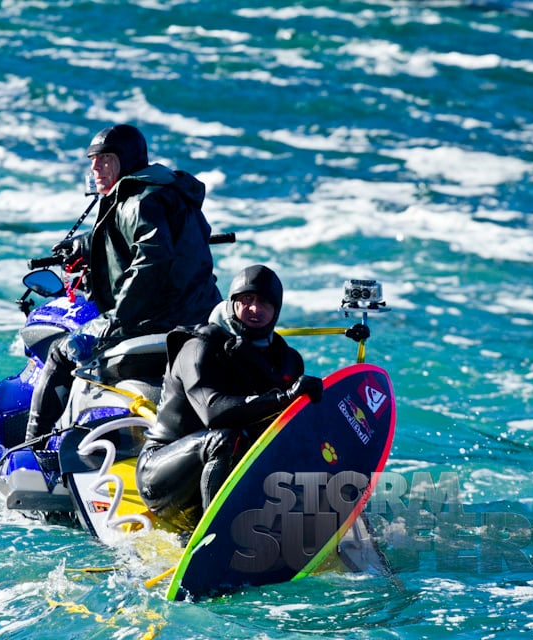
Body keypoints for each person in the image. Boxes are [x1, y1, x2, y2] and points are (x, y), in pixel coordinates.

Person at [25, 124, 222, 445]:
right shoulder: (170, 191)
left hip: (152, 324)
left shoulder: (136, 201)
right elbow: (137, 237)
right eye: (92, 159)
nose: (94, 167)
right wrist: (84, 246)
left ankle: (32, 448)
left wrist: (115, 320)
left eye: (104, 158)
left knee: (61, 354)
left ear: (126, 160)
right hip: (200, 320)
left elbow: (150, 263)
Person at [135, 265, 323, 530]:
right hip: (163, 475)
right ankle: (212, 535)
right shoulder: (199, 347)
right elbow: (214, 413)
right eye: (247, 300)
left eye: (265, 302)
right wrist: (283, 398)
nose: (255, 309)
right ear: (232, 303)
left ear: (276, 311)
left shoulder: (286, 361)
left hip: (231, 470)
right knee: (224, 438)